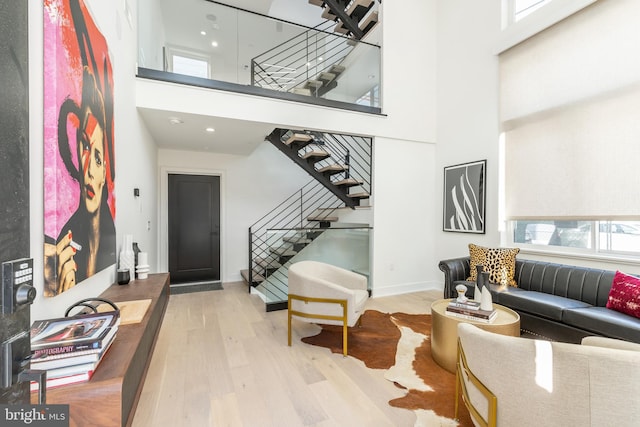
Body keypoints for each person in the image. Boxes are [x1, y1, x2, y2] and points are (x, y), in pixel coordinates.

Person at [44, 67, 116, 296]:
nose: (88, 171)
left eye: (96, 157)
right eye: (85, 147)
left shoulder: (110, 231)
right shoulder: (66, 239)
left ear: (105, 170)